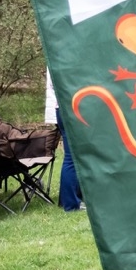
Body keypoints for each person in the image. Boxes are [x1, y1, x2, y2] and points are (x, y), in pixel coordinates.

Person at [46, 69, 84, 212]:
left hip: (64, 107)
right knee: (72, 158)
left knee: (74, 157)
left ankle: (71, 200)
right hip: (70, 107)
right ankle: (71, 204)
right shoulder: (61, 60)